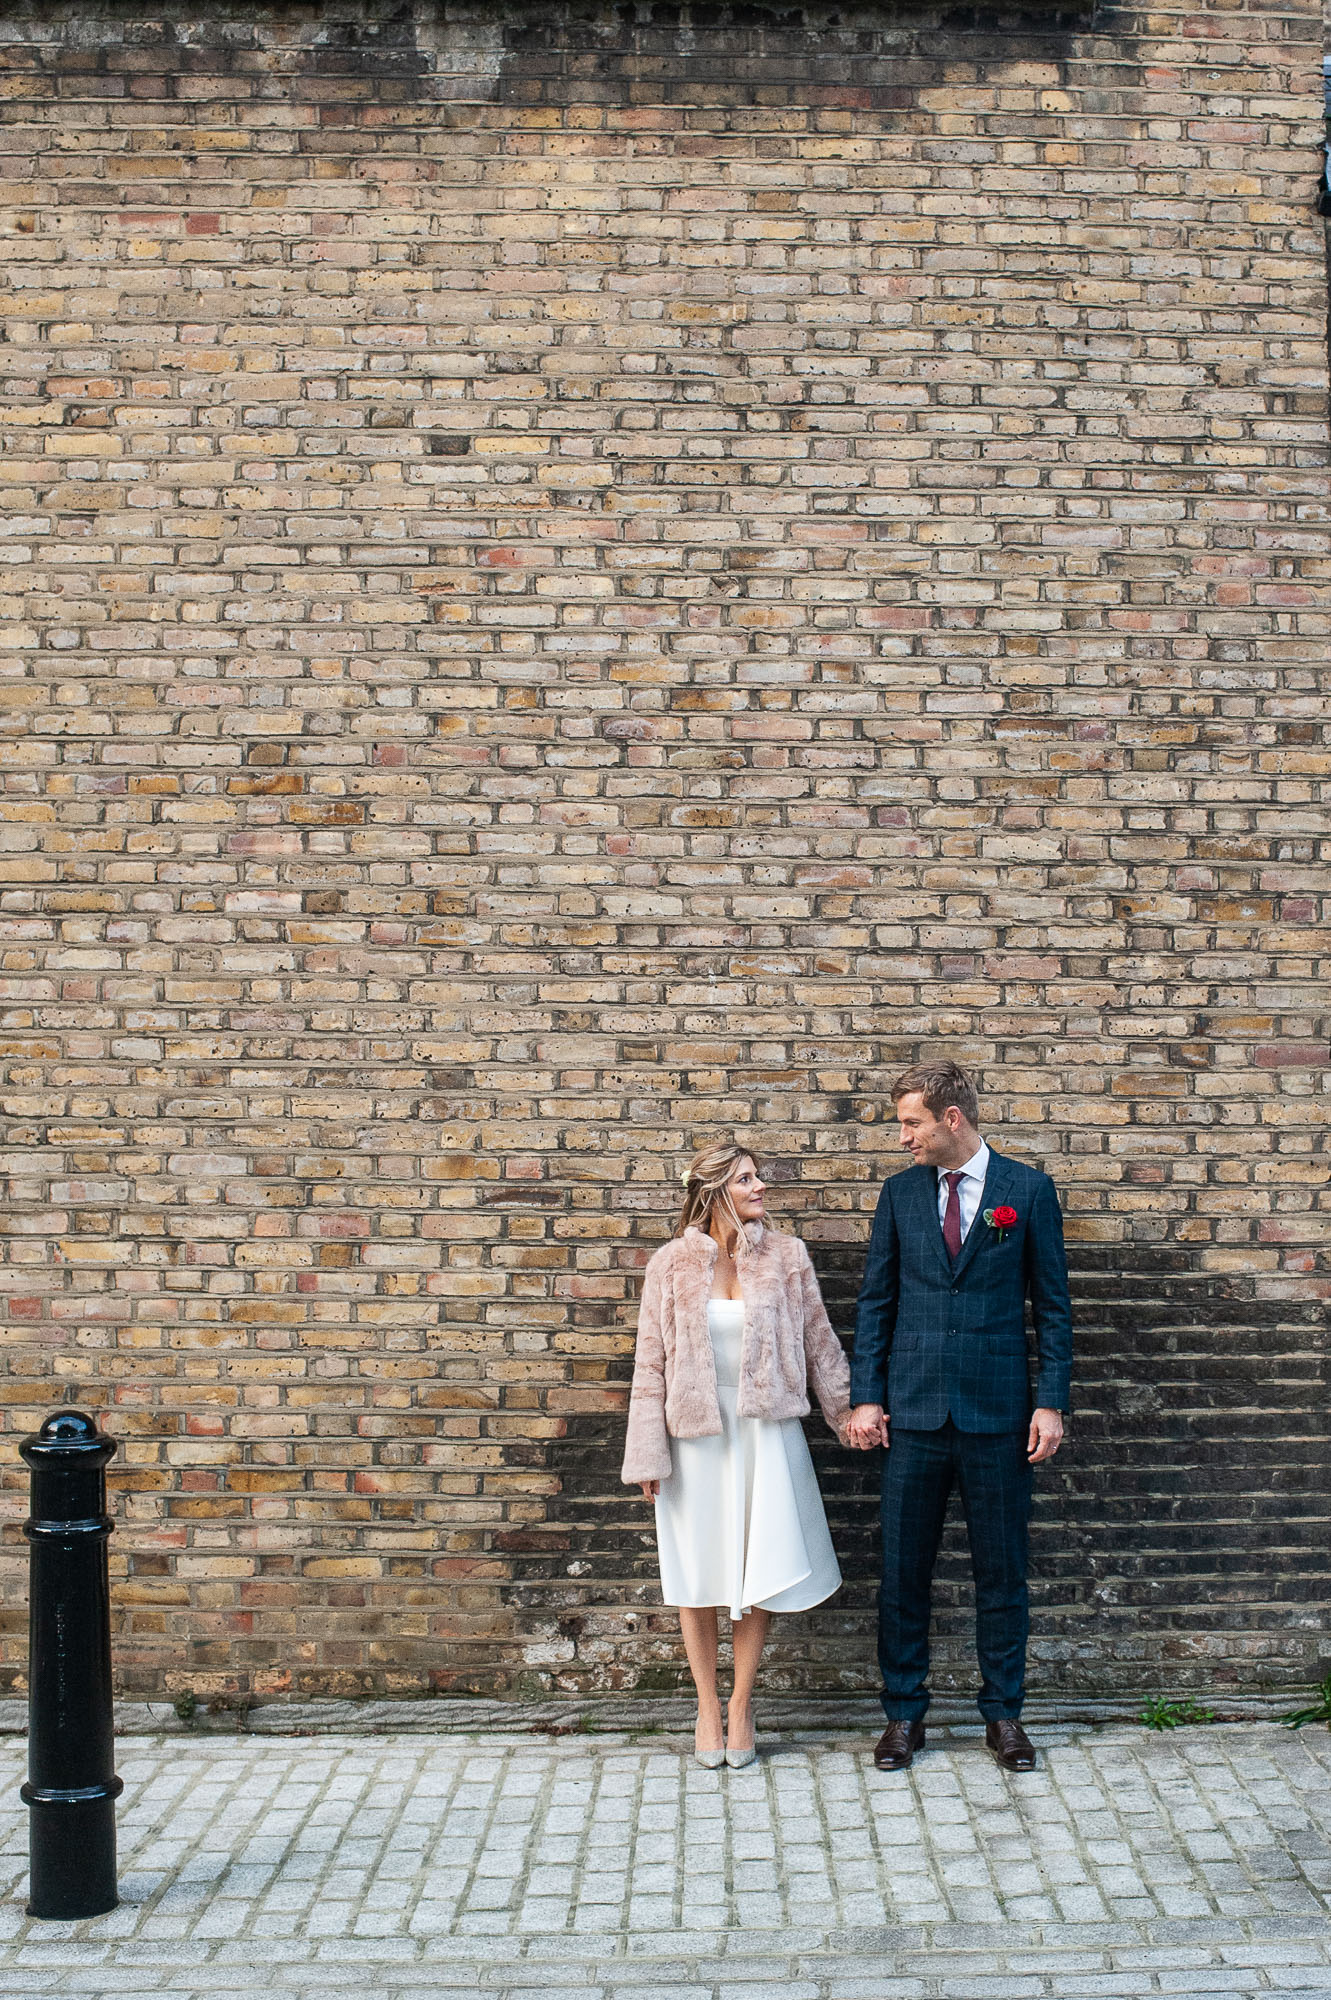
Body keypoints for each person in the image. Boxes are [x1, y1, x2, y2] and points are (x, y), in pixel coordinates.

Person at [846, 1060, 1072, 1774]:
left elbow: (1054, 1308)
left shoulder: (1025, 1192)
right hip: (911, 1415)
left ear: (950, 1119)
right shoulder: (899, 1194)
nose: (902, 1136)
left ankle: (1003, 1715)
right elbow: (876, 1302)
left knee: (1001, 1574)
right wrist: (866, 1394)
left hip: (998, 1415)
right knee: (902, 1573)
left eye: (910, 1122)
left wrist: (1050, 1400)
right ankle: (903, 1716)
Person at [622, 1142, 851, 1768]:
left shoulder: (786, 1257)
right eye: (747, 1179)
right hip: (694, 1436)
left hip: (764, 1429)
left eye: (759, 1176)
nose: (761, 1187)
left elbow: (818, 1342)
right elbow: (650, 1363)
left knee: (761, 1567)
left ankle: (743, 1704)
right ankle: (704, 1705)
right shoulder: (670, 1265)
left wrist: (846, 1413)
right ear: (714, 1190)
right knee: (695, 1572)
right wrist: (647, 1454)